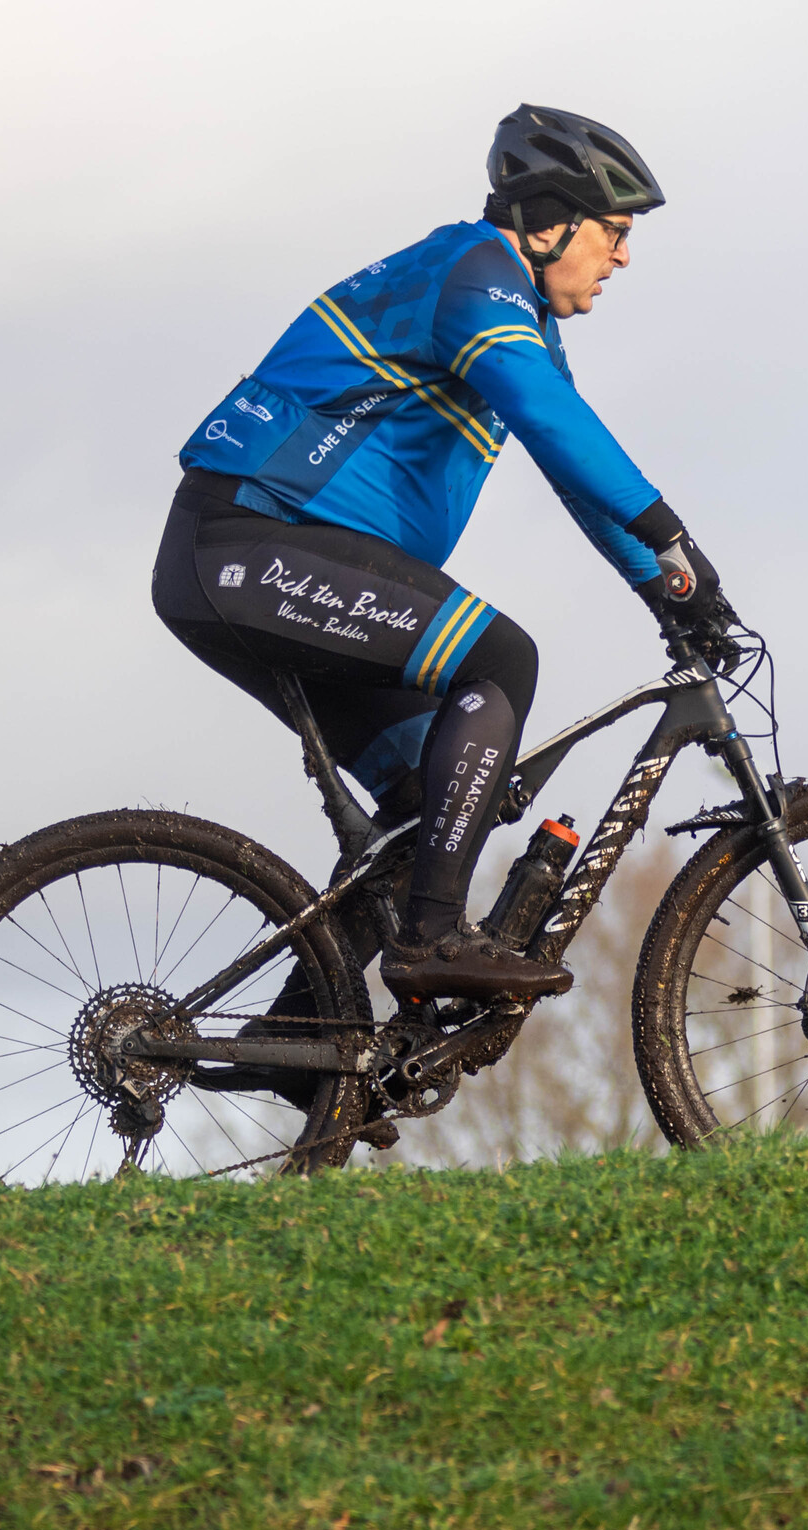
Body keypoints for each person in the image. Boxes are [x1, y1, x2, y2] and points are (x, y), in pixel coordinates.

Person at [152, 104, 738, 1003]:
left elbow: (574, 470)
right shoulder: (474, 276)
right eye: (614, 233)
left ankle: (307, 1048)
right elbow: (553, 422)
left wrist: (677, 591)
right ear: (548, 222)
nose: (623, 257)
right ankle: (432, 938)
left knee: (437, 802)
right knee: (499, 658)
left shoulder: (516, 315)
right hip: (244, 542)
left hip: (264, 557)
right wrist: (670, 538)